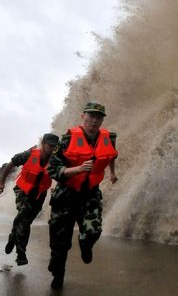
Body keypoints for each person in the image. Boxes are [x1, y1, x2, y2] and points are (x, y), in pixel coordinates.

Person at [47, 102, 118, 290]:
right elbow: (52, 169)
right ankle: (58, 273)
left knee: (93, 231)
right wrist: (76, 169)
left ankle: (86, 245)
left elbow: (110, 156)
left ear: (102, 120)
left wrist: (112, 173)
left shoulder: (108, 138)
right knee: (60, 244)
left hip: (91, 193)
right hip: (66, 194)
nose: (94, 120)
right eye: (91, 116)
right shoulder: (68, 139)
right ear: (83, 116)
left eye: (98, 117)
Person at [0, 133, 60, 266]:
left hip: (39, 195)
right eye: (49, 145)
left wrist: (57, 188)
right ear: (43, 144)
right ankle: (21, 254)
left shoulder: (55, 160)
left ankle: (13, 236)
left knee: (26, 220)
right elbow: (11, 164)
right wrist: (1, 182)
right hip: (22, 190)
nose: (51, 149)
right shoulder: (29, 154)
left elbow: (60, 174)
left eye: (54, 147)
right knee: (24, 217)